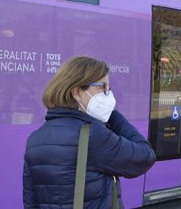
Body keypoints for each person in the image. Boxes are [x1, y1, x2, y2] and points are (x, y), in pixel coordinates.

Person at [23, 56, 155, 208]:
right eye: (102, 87)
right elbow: (145, 156)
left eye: (109, 89)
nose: (109, 95)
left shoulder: (35, 138)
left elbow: (30, 201)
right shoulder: (93, 134)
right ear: (77, 92)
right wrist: (112, 114)